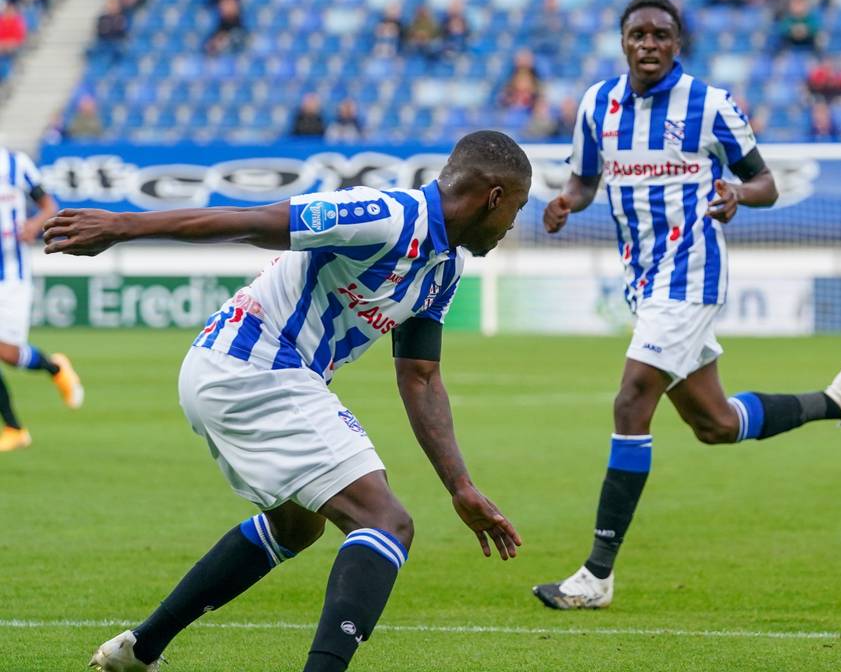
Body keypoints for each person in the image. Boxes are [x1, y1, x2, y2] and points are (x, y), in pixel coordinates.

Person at [57, 130, 530, 672]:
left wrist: (461, 486)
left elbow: (420, 376)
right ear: (493, 197)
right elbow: (254, 221)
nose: (513, 224)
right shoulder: (385, 215)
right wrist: (122, 226)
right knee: (386, 522)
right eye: (515, 209)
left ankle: (139, 650)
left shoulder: (444, 269)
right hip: (252, 363)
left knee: (296, 526)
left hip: (255, 373)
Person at [531, 0, 841, 611]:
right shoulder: (595, 105)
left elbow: (764, 179)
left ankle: (596, 574)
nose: (649, 44)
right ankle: (836, 401)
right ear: (623, 41)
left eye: (661, 34)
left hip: (691, 273)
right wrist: (565, 204)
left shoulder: (710, 105)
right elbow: (582, 180)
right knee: (713, 424)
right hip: (643, 281)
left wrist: (739, 193)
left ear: (677, 43)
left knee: (631, 401)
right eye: (638, 35)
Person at [0, 148, 84, 453]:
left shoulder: (14, 164)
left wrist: (35, 226)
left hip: (11, 276)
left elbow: (49, 206)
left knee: (8, 354)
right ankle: (14, 428)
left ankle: (54, 368)